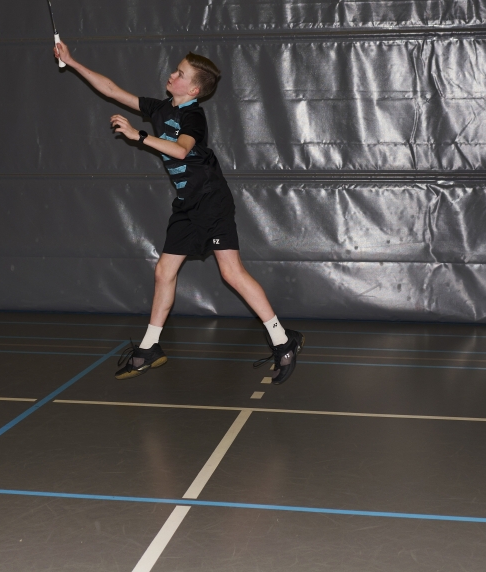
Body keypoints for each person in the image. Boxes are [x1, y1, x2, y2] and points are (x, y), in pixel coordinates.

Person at [54, 39, 304, 384]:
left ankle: (282, 341)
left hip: (211, 200)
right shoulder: (160, 108)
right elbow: (111, 90)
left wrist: (138, 136)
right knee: (164, 272)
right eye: (175, 70)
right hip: (187, 203)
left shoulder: (193, 116)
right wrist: (72, 62)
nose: (172, 75)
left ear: (194, 89)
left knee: (231, 273)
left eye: (180, 73)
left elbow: (182, 151)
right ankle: (149, 348)